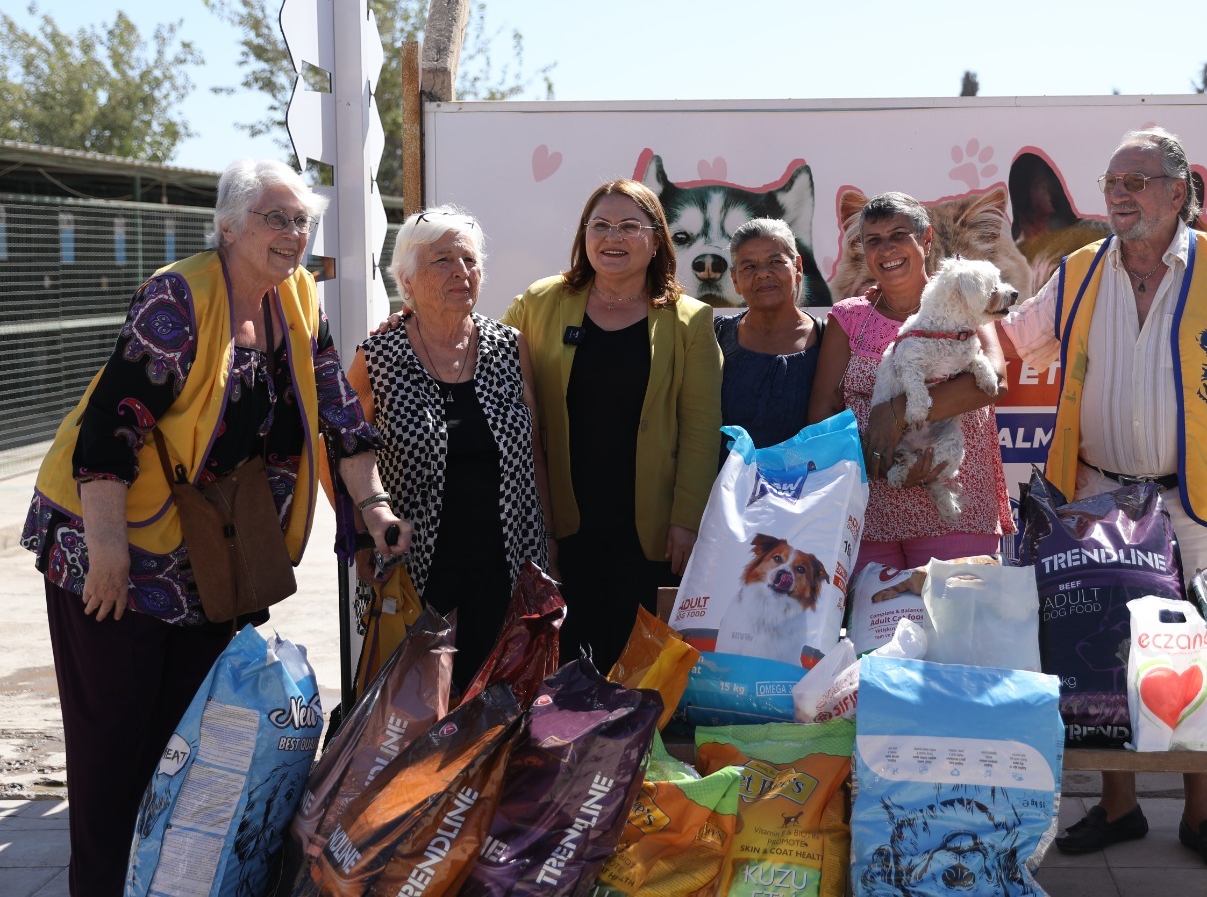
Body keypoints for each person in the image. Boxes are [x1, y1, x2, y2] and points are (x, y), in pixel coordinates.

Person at [21, 158, 405, 897]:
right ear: (229, 226)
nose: (293, 234)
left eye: (302, 221)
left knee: (186, 747)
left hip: (205, 559)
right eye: (275, 218)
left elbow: (340, 414)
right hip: (112, 546)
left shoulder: (296, 297)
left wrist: (376, 508)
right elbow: (111, 430)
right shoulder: (178, 297)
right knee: (113, 752)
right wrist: (106, 554)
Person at [999, 126, 1207, 875]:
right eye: (1111, 182)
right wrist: (921, 320)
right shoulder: (1079, 270)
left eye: (1135, 181)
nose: (1118, 194)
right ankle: (1120, 806)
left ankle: (1202, 815)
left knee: (1203, 656)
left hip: (1200, 504)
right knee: (1103, 652)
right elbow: (1007, 342)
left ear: (1177, 191)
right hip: (1097, 495)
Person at [503, 179, 722, 671]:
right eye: (599, 225)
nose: (612, 236)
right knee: (565, 659)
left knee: (635, 665)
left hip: (650, 526)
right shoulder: (539, 303)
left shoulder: (690, 321)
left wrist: (686, 520)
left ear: (656, 240)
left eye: (628, 226)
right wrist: (410, 319)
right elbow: (483, 354)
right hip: (561, 517)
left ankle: (633, 748)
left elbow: (702, 428)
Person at [347, 205, 557, 684]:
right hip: (417, 558)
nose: (461, 272)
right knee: (416, 698)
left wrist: (548, 541)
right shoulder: (377, 355)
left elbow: (533, 453)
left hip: (507, 553)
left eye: (469, 260)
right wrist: (360, 536)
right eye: (442, 260)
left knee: (495, 692)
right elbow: (339, 450)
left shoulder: (510, 346)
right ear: (408, 279)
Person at [807, 191, 1013, 573]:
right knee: (871, 631)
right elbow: (822, 412)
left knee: (956, 631)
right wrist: (874, 462)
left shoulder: (968, 299)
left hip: (956, 503)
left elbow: (994, 382)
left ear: (927, 240)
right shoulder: (848, 317)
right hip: (869, 513)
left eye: (899, 235)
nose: (887, 249)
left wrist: (896, 411)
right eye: (874, 240)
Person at [716, 218, 824, 449]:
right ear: (735, 279)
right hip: (725, 483)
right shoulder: (716, 336)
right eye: (749, 266)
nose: (763, 273)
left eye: (775, 261)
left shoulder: (828, 339)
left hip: (805, 483)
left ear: (798, 268)